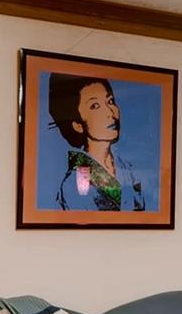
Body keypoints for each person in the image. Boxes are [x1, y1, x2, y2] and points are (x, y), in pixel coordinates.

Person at [46, 73, 146, 211]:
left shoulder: (127, 168)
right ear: (78, 125)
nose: (110, 112)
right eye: (95, 106)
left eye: (110, 101)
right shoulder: (79, 177)